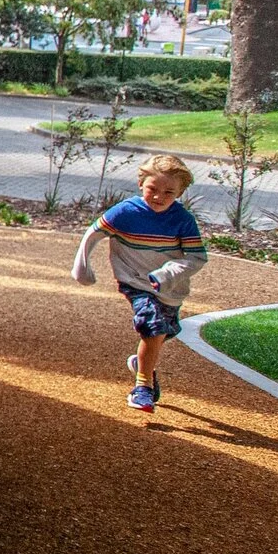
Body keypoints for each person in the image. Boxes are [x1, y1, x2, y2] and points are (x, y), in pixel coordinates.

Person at [71, 152, 208, 413]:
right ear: (140, 185)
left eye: (169, 192)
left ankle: (141, 363)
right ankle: (142, 388)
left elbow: (197, 258)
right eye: (152, 189)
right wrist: (82, 266)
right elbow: (94, 233)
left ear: (180, 193)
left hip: (168, 288)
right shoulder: (125, 212)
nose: (159, 197)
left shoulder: (183, 220)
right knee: (152, 327)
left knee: (165, 330)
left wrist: (168, 273)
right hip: (134, 281)